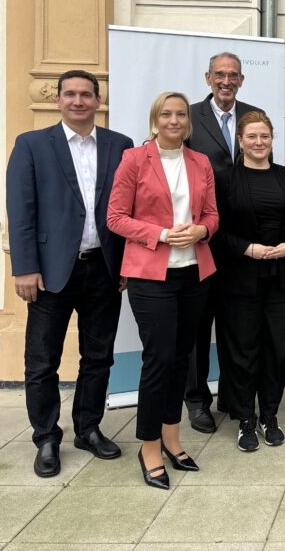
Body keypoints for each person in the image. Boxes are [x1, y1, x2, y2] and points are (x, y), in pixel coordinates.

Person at [6, 70, 133, 478]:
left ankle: (88, 428)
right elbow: (21, 211)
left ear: (98, 101)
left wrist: (127, 262)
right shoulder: (31, 145)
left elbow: (129, 211)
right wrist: (24, 267)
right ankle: (45, 437)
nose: (78, 101)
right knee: (42, 361)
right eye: (70, 94)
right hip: (50, 273)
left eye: (86, 94)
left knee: (98, 357)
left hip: (104, 268)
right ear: (58, 99)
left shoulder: (120, 146)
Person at [107, 92, 219, 489]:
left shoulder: (200, 161)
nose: (174, 120)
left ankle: (173, 437)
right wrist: (160, 234)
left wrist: (202, 229)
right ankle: (149, 446)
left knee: (180, 360)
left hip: (193, 273)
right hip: (150, 276)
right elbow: (116, 217)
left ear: (188, 121)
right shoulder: (135, 160)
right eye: (166, 114)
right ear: (155, 119)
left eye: (181, 114)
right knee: (158, 360)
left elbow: (211, 215)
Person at [214, 111, 285, 451]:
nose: (258, 143)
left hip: (283, 278)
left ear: (272, 140)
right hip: (239, 279)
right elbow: (215, 230)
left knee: (277, 349)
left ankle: (269, 415)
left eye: (264, 137)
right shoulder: (224, 180)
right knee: (242, 350)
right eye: (252, 137)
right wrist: (247, 249)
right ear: (240, 141)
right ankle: (245, 419)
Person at [183, 52, 264, 434]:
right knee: (198, 326)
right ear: (208, 78)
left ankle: (234, 397)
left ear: (242, 80)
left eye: (233, 75)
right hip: (202, 239)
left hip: (243, 242)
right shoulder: (189, 118)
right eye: (220, 75)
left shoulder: (254, 115)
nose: (226, 81)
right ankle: (197, 400)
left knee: (238, 325)